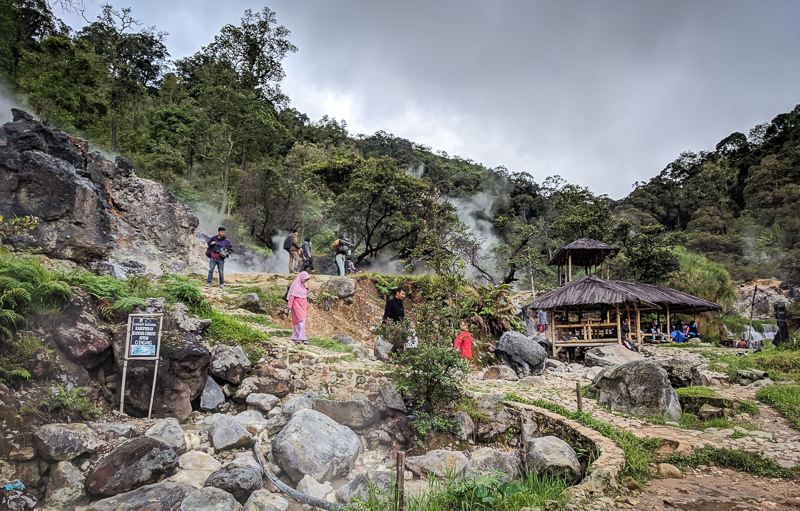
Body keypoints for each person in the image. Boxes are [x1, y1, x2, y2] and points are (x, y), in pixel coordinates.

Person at [286, 271, 312, 345]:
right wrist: (289, 307)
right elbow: (291, 297)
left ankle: (296, 337)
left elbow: (304, 292)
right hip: (297, 305)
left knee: (300, 322)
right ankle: (303, 338)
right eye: (305, 279)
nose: (305, 281)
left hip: (303, 305)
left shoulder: (302, 285)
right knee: (301, 321)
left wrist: (307, 288)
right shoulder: (295, 285)